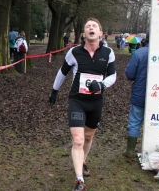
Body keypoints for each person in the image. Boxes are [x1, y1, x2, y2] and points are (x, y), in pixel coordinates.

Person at [49, 18, 116, 191]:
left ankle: (83, 160)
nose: (91, 28)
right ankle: (79, 180)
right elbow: (62, 72)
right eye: (88, 26)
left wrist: (102, 85)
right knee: (78, 140)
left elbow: (113, 76)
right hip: (77, 101)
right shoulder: (74, 52)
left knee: (88, 136)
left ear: (100, 33)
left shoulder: (108, 53)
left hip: (96, 101)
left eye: (94, 26)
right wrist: (54, 91)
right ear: (84, 33)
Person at [124, 32, 149, 157]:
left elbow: (130, 74)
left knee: (134, 122)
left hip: (140, 93)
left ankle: (130, 151)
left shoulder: (139, 53)